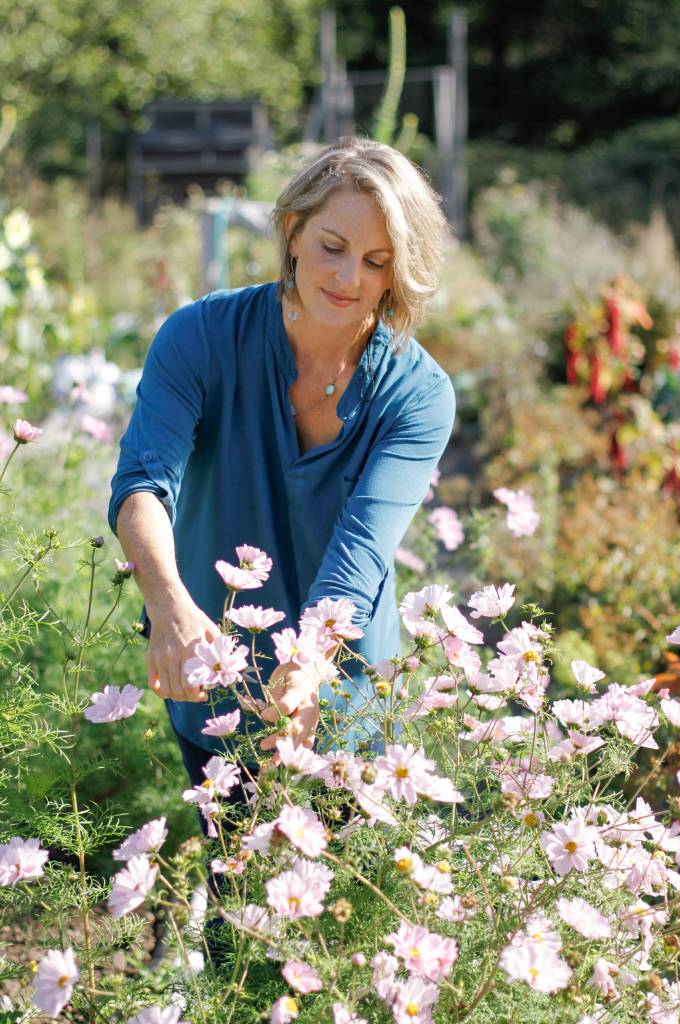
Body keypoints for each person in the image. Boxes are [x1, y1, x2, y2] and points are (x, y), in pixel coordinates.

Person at [107, 135, 455, 960]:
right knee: (238, 920)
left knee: (342, 937)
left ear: (398, 273)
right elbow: (142, 485)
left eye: (376, 261)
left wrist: (307, 670)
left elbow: (361, 551)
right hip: (212, 666)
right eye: (332, 246)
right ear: (292, 231)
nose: (348, 277)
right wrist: (169, 607)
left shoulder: (417, 395)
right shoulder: (200, 337)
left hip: (343, 689)